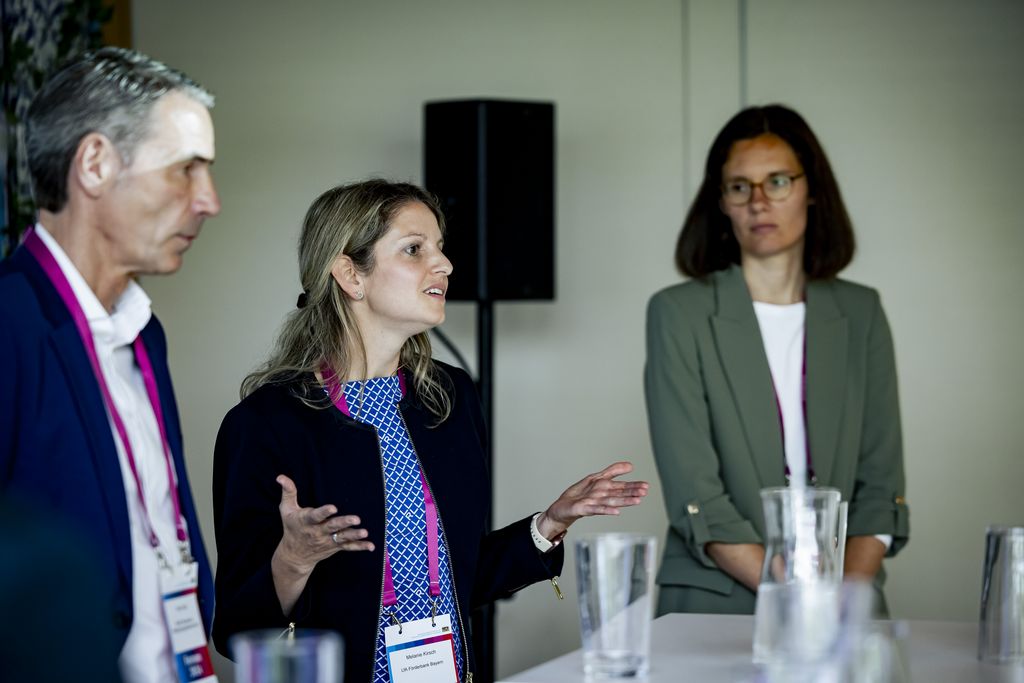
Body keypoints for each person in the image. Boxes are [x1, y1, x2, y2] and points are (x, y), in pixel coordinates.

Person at [212, 179, 649, 682]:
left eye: (440, 248)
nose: (444, 264)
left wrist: (550, 523)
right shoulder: (266, 424)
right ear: (350, 274)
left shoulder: (451, 398)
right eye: (415, 249)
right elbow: (238, 628)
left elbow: (460, 576)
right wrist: (293, 558)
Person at [0, 47, 221, 682]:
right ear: (95, 164)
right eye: (186, 170)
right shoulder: (11, 325)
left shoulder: (144, 334)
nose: (209, 201)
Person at [644, 105, 908, 616]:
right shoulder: (678, 313)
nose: (759, 201)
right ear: (721, 202)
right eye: (740, 187)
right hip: (717, 596)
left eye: (778, 181)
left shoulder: (862, 311)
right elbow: (695, 490)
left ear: (812, 190)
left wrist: (841, 596)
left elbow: (881, 485)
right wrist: (798, 592)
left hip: (846, 602)